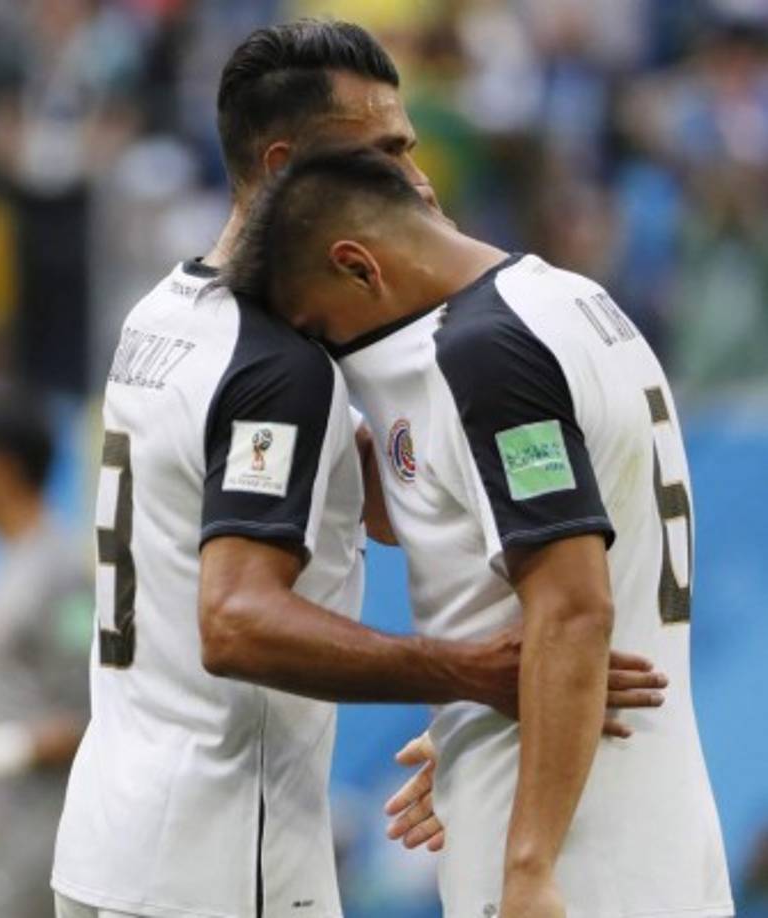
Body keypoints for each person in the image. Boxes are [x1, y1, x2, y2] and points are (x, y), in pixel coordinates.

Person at [52, 21, 667, 918]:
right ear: (282, 167)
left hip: (110, 836)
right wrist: (473, 674)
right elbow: (235, 621)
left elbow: (368, 502)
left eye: (405, 146)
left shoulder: (164, 315)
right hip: (222, 857)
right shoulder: (275, 368)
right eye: (377, 152)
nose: (412, 180)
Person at [222, 146, 734, 918]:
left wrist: (527, 866)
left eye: (322, 328)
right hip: (652, 819)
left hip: (571, 859)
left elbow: (574, 610)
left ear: (359, 267)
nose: (335, 357)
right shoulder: (571, 299)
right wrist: (480, 727)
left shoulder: (484, 353)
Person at [0, 384, 91, 918]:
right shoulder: (18, 562)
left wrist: (12, 747)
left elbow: (90, 711)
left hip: (46, 836)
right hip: (9, 831)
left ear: (4, 467)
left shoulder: (61, 572)